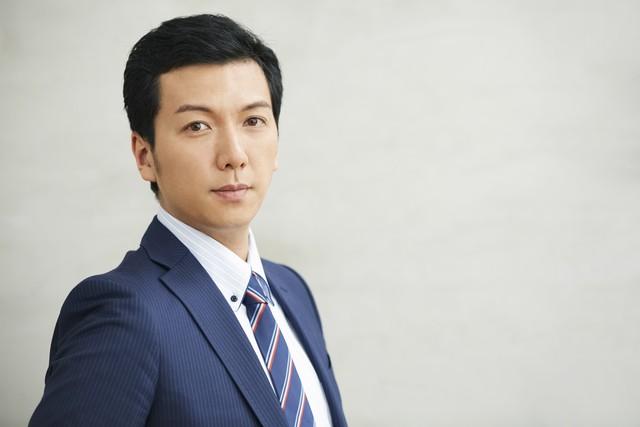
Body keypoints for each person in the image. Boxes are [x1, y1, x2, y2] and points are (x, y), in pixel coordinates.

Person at [30, 14, 347, 427]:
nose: (234, 155)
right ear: (145, 156)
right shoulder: (124, 312)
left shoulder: (291, 290)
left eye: (253, 121)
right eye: (197, 126)